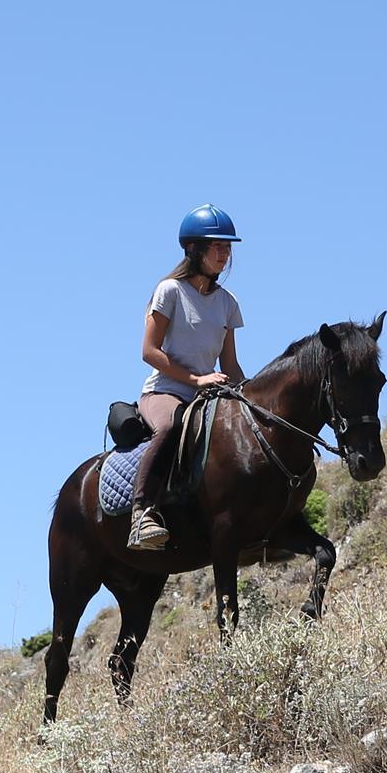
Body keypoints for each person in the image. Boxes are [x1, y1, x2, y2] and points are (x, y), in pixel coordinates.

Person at [128, 204, 247, 552]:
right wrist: (196, 379)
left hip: (207, 393)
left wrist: (250, 399)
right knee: (169, 427)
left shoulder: (228, 303)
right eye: (218, 246)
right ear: (194, 249)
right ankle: (141, 514)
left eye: (228, 247)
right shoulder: (169, 291)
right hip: (166, 392)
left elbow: (231, 364)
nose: (225, 254)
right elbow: (149, 351)